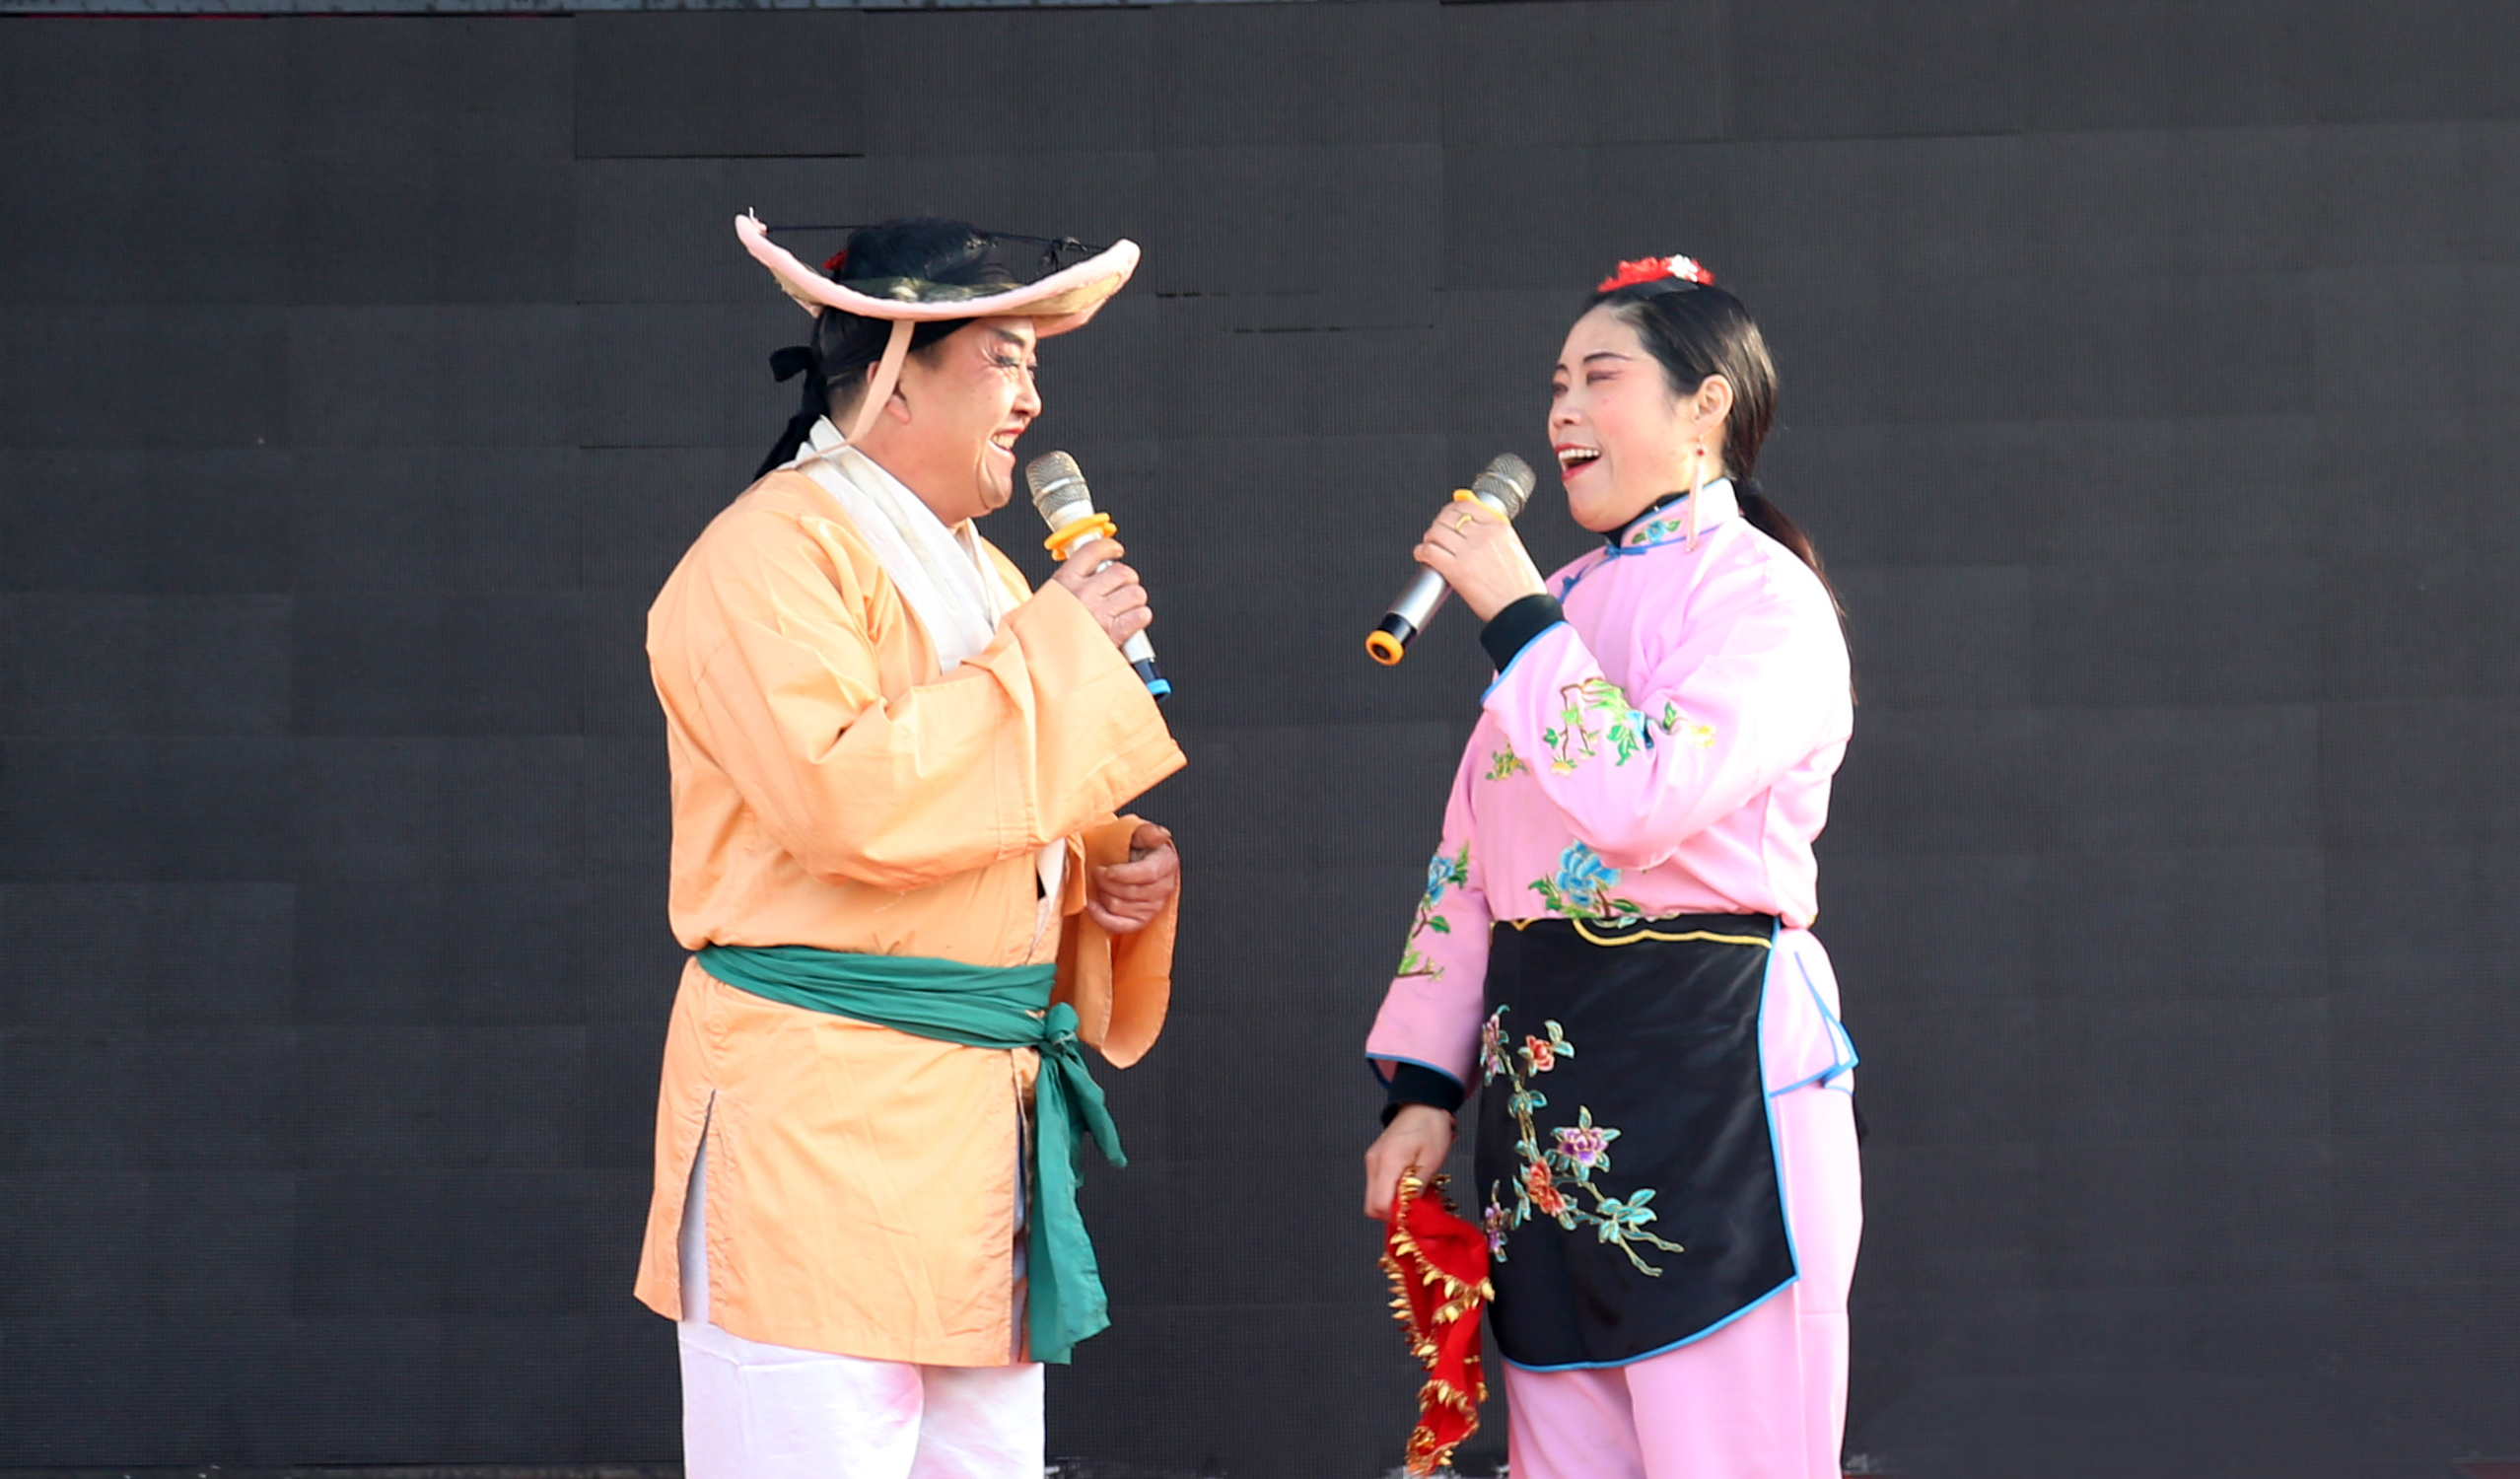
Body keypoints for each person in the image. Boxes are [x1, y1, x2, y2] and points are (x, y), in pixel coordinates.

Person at [632, 214, 1188, 1479]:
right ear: (892, 373)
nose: (1032, 398)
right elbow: (846, 799)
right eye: (1004, 359)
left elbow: (1002, 793)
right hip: (816, 1121)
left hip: (970, 1133)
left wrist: (1104, 864)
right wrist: (1062, 649)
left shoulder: (992, 578)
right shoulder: (766, 554)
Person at [1360, 253, 1860, 1479]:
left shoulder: (1765, 599)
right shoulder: (1557, 600)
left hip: (1712, 1071)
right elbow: (1469, 871)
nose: (1564, 412)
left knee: (1726, 1450)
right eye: (1555, 385)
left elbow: (1645, 803)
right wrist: (1422, 1089)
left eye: (1600, 378)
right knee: (1562, 1444)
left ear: (1706, 406)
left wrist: (1521, 622)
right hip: (1546, 1101)